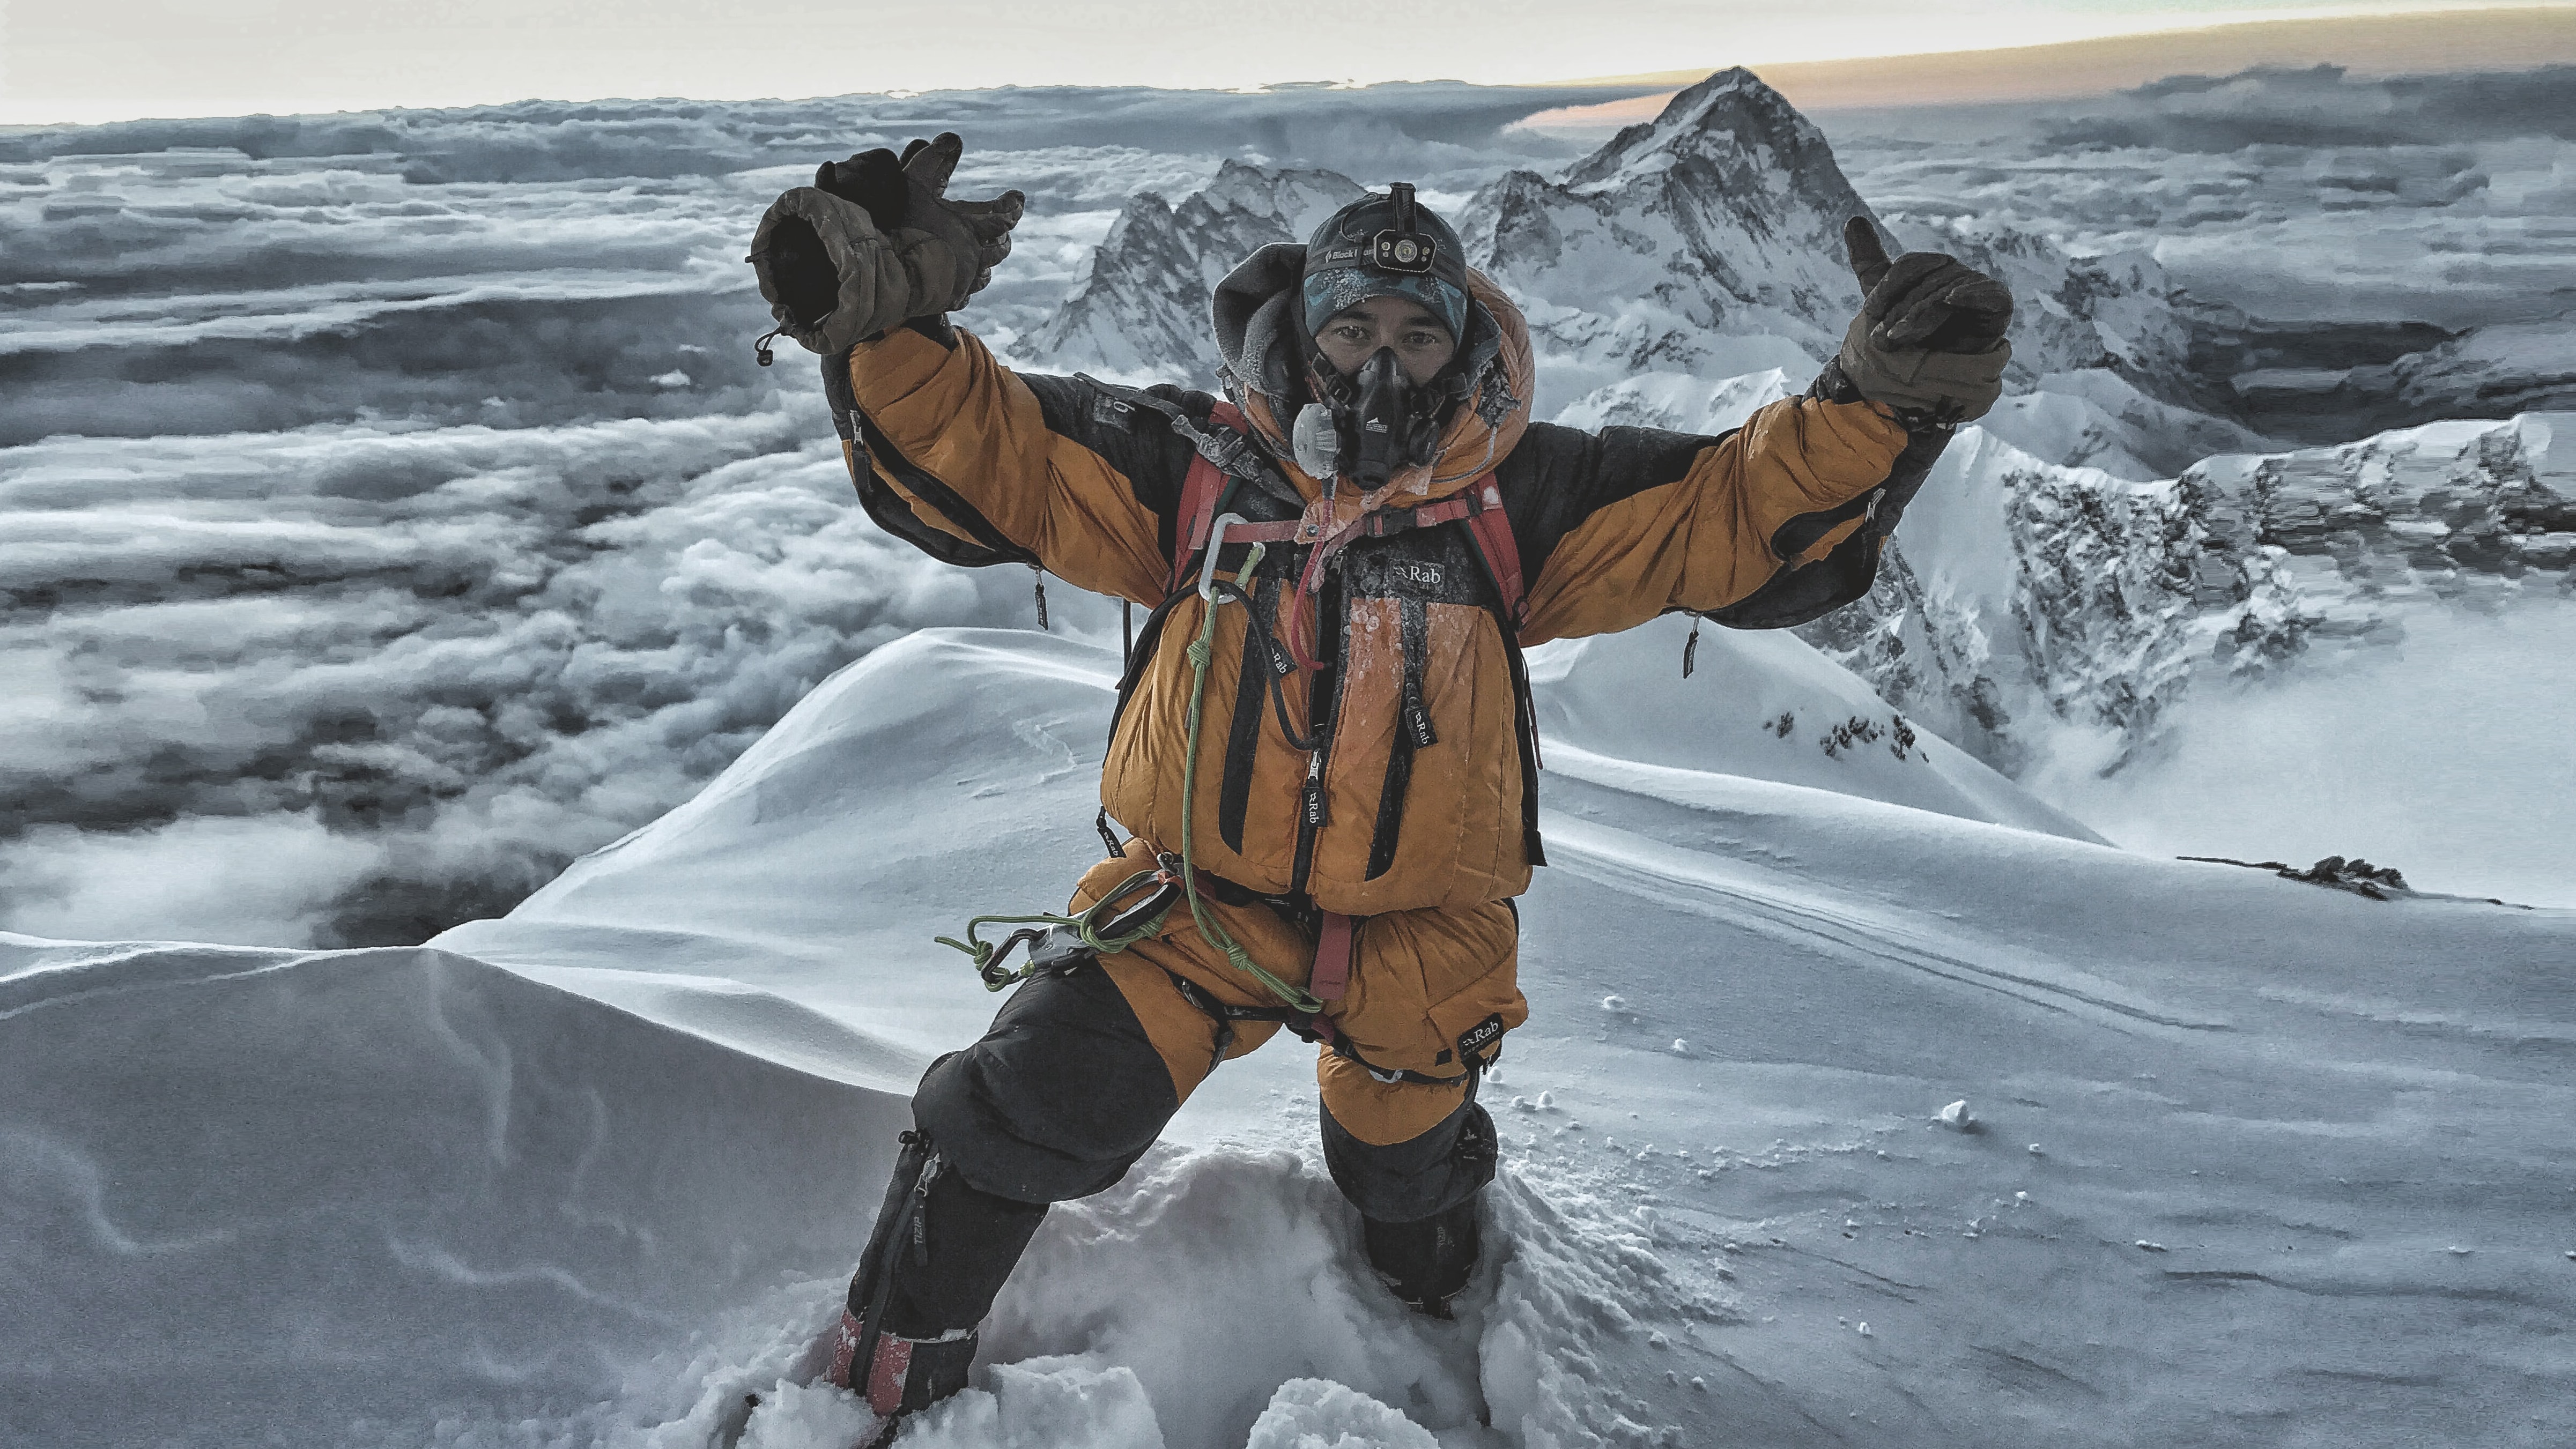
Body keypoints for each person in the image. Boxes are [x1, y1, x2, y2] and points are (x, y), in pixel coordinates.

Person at [747, 132, 2011, 1432]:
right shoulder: (1192, 471)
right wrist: (889, 329)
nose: (1385, 360)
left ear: (1462, 345)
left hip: (1425, 934)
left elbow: (1730, 509)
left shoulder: (1523, 498)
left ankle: (1443, 1299)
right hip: (1193, 905)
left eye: (1419, 329)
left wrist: (1876, 401)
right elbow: (992, 448)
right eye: (1354, 326)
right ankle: (876, 1387)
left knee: (1407, 1186)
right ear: (1304, 338)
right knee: (1008, 1111)